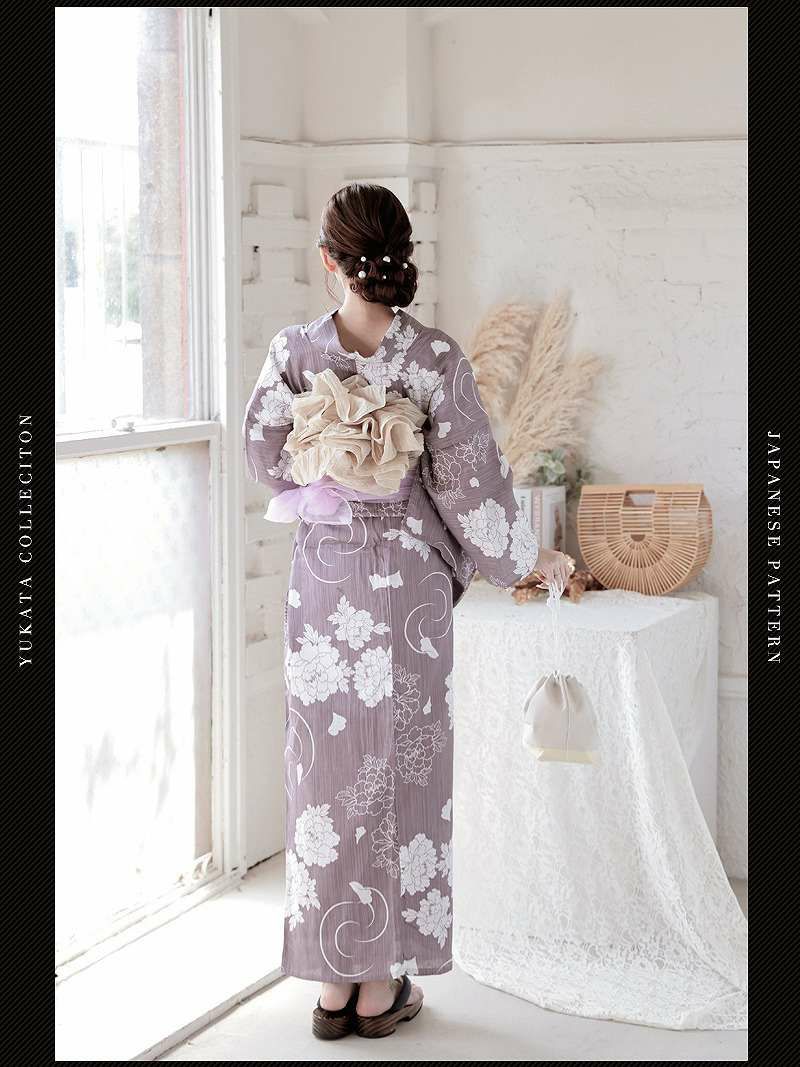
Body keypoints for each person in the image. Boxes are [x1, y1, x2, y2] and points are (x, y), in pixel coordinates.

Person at [242, 183, 570, 1040]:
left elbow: (265, 457)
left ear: (329, 259)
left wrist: (328, 464)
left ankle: (333, 983)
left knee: (325, 773)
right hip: (407, 591)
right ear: (399, 255)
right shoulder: (433, 358)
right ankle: (381, 982)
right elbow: (471, 488)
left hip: (325, 584)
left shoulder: (294, 351)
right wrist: (525, 558)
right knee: (400, 768)